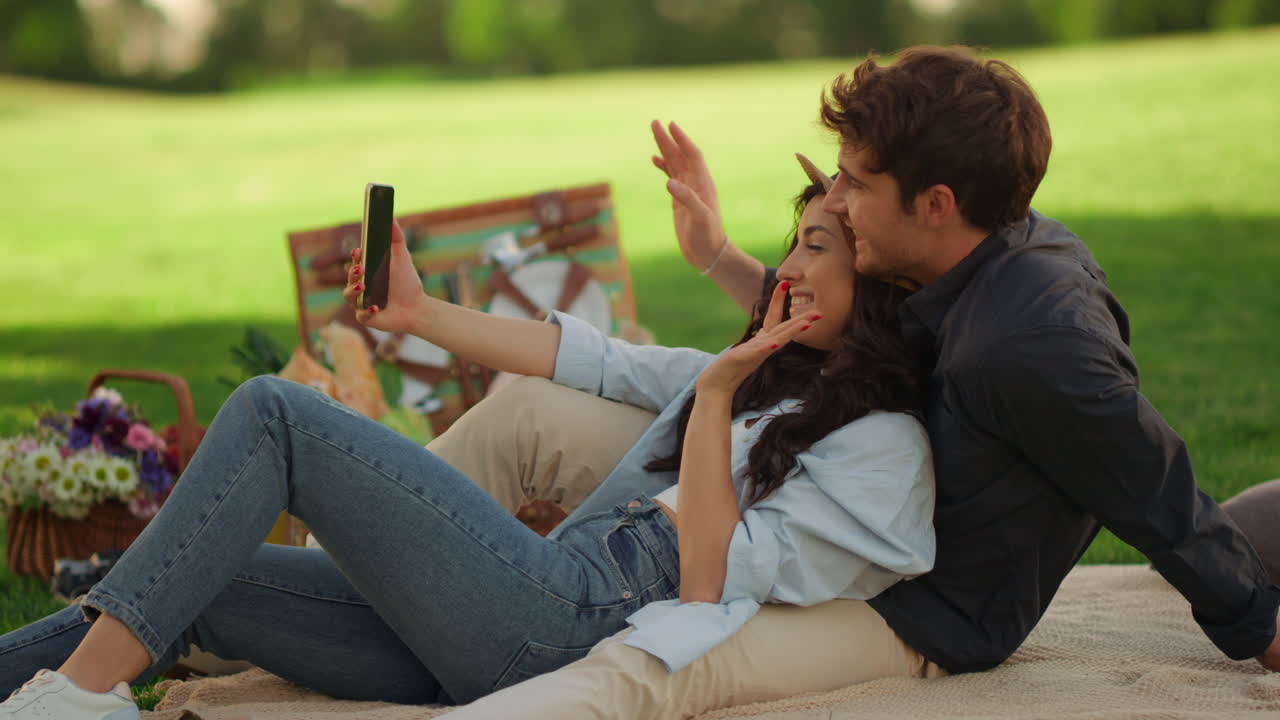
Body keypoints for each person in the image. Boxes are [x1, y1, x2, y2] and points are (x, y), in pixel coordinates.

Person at [434, 46, 1280, 719]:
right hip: (816, 480)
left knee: (669, 659)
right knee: (539, 415)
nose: (834, 199)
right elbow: (846, 323)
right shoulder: (967, 243)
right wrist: (721, 259)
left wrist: (1260, 626)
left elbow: (1151, 484)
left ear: (936, 203)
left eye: (857, 183)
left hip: (910, 601)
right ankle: (368, 566)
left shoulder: (1035, 345)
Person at [0, 161, 936, 719]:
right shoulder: (762, 373)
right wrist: (418, 315)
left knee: (275, 414)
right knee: (203, 582)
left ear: (878, 285)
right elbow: (583, 357)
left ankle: (74, 702)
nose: (787, 269)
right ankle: (57, 694)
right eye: (794, 243)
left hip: (567, 620)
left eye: (818, 248)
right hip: (510, 616)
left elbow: (704, 584)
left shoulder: (881, 443)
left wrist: (719, 393)